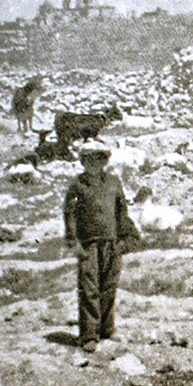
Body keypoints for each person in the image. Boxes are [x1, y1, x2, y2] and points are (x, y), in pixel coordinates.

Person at [63, 141, 139, 352]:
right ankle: (89, 335)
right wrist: (73, 241)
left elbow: (121, 212)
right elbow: (69, 215)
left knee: (109, 286)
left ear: (105, 160)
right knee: (89, 289)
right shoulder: (77, 186)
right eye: (89, 159)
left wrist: (124, 239)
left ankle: (107, 328)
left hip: (112, 242)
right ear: (83, 161)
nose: (94, 163)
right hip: (88, 245)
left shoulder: (114, 183)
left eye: (99, 158)